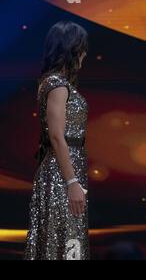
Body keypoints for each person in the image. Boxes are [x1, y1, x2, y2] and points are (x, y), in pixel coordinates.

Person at [24, 21, 90, 260]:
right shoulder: (57, 85)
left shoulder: (53, 82)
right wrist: (71, 181)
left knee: (65, 237)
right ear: (71, 49)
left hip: (66, 168)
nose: (84, 54)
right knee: (63, 239)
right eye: (81, 48)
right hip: (60, 173)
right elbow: (55, 135)